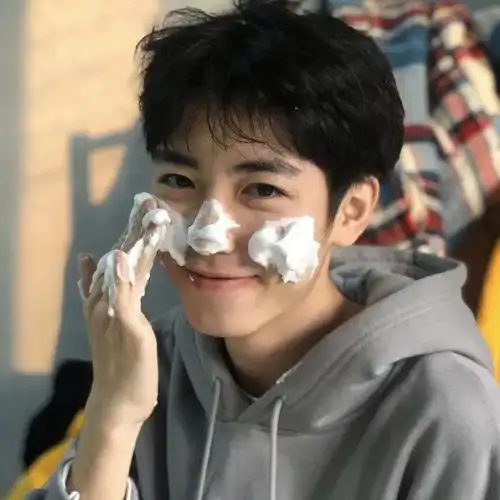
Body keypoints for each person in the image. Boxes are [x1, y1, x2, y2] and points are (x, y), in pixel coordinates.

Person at [29, 1, 500, 499]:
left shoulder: (444, 411)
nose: (207, 234)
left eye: (262, 189)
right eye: (179, 180)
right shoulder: (153, 362)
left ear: (351, 211)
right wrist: (113, 414)